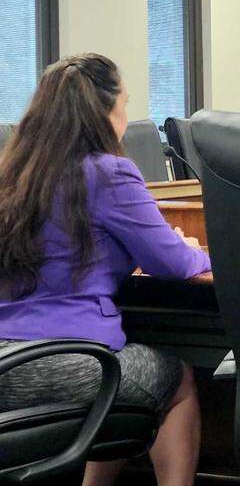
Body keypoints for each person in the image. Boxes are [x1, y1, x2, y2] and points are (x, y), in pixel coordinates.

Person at [0, 53, 210, 486]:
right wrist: (197, 251)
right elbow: (172, 263)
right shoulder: (108, 173)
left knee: (128, 367)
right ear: (105, 112)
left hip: (7, 364)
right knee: (177, 380)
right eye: (124, 103)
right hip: (66, 364)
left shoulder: (11, 177)